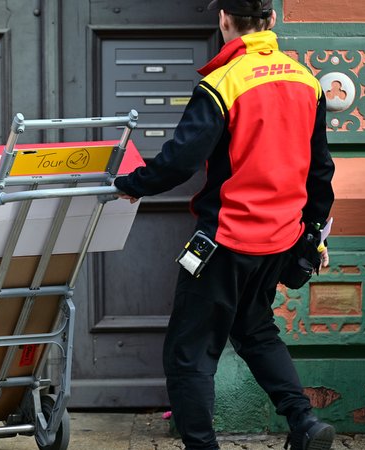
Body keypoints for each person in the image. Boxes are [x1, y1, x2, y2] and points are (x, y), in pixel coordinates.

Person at [113, 1, 336, 449]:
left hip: (225, 241)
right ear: (271, 21)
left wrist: (131, 183)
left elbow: (181, 160)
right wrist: (312, 233)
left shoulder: (221, 83)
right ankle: (305, 422)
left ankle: (201, 445)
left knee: (189, 350)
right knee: (254, 329)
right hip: (280, 240)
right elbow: (321, 170)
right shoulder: (305, 81)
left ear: (224, 21)